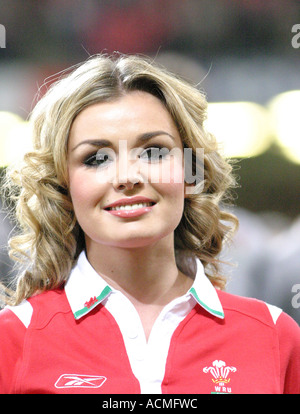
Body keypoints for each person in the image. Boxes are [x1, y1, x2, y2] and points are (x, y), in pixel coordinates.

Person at [0, 53, 299, 394]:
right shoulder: (13, 338)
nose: (128, 177)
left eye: (154, 152)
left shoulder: (274, 336)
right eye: (97, 158)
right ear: (63, 187)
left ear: (191, 172)